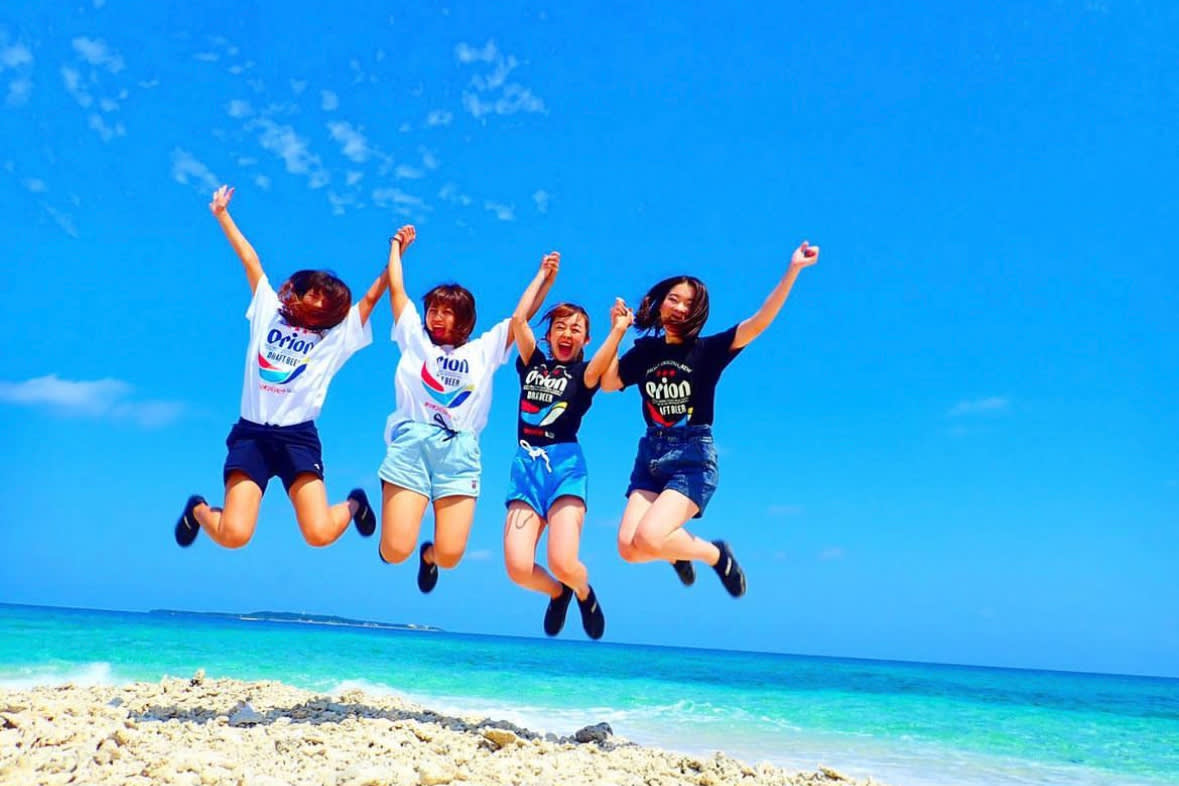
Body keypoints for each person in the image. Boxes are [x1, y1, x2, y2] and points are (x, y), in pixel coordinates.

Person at [602, 241, 820, 596]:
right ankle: (677, 553)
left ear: (698, 313)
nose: (680, 307)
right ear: (660, 303)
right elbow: (609, 383)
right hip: (651, 455)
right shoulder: (646, 352)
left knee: (650, 538)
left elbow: (760, 321)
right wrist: (616, 332)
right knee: (629, 549)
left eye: (689, 304)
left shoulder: (708, 350)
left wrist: (793, 270)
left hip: (692, 457)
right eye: (674, 299)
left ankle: (716, 555)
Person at [174, 185, 385, 550]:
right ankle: (198, 510)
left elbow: (370, 299)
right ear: (299, 291)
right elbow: (251, 262)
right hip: (252, 435)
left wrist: (395, 257)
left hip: (297, 438)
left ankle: (355, 504)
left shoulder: (334, 338)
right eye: (313, 290)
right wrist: (223, 215)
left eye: (326, 296)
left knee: (319, 535)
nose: (317, 297)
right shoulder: (268, 311)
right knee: (234, 535)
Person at [377, 227, 554, 593]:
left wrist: (544, 277)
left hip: (460, 450)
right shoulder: (414, 338)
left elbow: (521, 318)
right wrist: (396, 248)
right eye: (433, 310)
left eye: (448, 312)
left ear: (465, 319)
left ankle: (429, 556)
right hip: (412, 444)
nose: (437, 317)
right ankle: (399, 544)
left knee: (450, 555)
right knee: (394, 551)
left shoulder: (483, 350)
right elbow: (397, 291)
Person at [503, 289, 634, 640]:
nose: (567, 333)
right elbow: (518, 320)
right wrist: (545, 277)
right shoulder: (532, 363)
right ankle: (558, 593)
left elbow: (602, 363)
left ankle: (584, 592)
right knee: (517, 568)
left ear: (585, 340)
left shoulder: (583, 375)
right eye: (560, 327)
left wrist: (619, 328)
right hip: (526, 468)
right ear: (548, 335)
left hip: (565, 468)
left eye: (576, 329)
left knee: (562, 561)